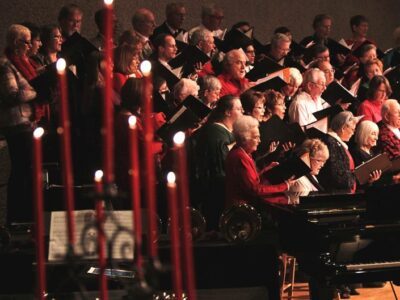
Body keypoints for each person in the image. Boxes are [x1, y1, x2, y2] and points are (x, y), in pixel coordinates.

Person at [0, 24, 37, 224]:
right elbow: (12, 94)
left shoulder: (24, 63)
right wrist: (36, 91)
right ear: (16, 43)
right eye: (26, 42)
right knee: (21, 170)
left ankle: (26, 214)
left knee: (27, 170)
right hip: (16, 124)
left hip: (27, 123)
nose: (29, 46)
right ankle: (17, 217)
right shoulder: (6, 65)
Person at [190, 95, 242, 230]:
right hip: (216, 191)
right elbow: (220, 162)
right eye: (238, 109)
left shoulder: (227, 132)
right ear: (227, 112)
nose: (242, 112)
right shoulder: (215, 132)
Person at [224, 115, 292, 208]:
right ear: (245, 139)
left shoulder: (245, 153)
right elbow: (254, 189)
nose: (259, 141)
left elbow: (251, 181)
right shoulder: (239, 156)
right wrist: (284, 186)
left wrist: (266, 169)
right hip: (242, 210)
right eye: (256, 137)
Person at [318, 111, 361, 192]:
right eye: (352, 129)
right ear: (343, 128)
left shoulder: (337, 143)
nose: (353, 133)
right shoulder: (331, 143)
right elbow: (336, 176)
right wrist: (357, 175)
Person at [288, 68, 330, 133]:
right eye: (322, 84)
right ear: (310, 86)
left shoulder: (317, 99)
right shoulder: (299, 104)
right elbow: (301, 133)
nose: (325, 88)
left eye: (325, 84)